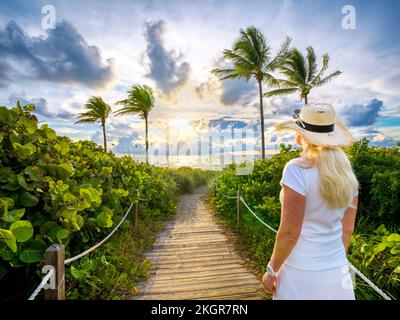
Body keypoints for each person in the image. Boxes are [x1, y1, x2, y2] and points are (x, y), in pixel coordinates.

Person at [262, 103, 359, 300]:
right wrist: (332, 260)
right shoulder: (346, 173)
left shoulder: (296, 169)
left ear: (301, 136)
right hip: (337, 270)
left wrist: (271, 271)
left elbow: (290, 232)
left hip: (301, 271)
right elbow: (347, 229)